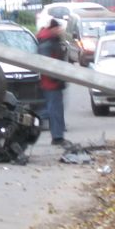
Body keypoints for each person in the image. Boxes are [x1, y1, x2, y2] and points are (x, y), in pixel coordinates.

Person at [37, 18, 70, 147]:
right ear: (53, 29)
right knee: (54, 110)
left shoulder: (50, 40)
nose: (60, 30)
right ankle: (57, 137)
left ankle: (58, 135)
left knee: (53, 109)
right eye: (58, 28)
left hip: (53, 81)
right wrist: (55, 77)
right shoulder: (48, 42)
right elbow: (47, 63)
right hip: (51, 82)